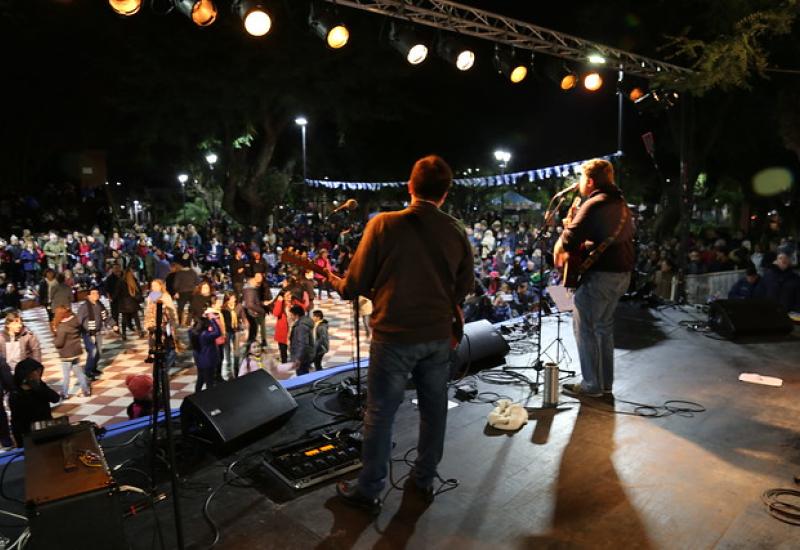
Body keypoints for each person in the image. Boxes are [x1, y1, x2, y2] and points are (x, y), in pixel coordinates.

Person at [326, 155, 474, 511]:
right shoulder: (456, 230)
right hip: (438, 336)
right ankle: (424, 480)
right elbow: (464, 286)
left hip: (393, 336)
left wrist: (335, 281)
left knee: (380, 413)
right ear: (445, 192)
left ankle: (369, 490)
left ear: (410, 186)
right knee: (434, 410)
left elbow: (354, 285)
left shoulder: (383, 225)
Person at [554, 158, 635, 398]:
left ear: (590, 181)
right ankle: (604, 383)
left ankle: (591, 384)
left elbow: (569, 241)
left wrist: (568, 227)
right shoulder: (621, 204)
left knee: (585, 328)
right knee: (603, 327)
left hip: (600, 277)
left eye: (581, 178)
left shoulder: (594, 204)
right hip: (622, 275)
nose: (579, 183)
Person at [9, 358, 60, 447]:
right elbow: (16, 421)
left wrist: (38, 387)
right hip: (29, 434)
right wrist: (20, 442)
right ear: (26, 375)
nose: (38, 374)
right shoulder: (16, 394)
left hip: (46, 428)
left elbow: (55, 398)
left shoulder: (39, 385)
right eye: (35, 372)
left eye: (39, 371)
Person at [77, 286, 117, 380]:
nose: (96, 295)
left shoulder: (100, 305)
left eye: (97, 293)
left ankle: (93, 368)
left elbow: (106, 317)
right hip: (88, 333)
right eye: (93, 293)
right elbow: (79, 321)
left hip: (98, 332)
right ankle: (88, 371)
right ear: (89, 296)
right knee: (93, 351)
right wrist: (77, 334)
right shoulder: (84, 307)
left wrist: (113, 325)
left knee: (98, 351)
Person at [52, 305, 91, 399]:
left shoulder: (62, 327)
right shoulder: (75, 321)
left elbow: (59, 343)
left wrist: (55, 338)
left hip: (66, 355)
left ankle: (64, 393)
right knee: (79, 373)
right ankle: (86, 391)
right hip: (76, 352)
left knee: (66, 375)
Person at [190, 309, 221, 393]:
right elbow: (218, 332)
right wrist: (213, 320)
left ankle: (197, 396)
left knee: (200, 379)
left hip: (199, 360)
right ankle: (210, 398)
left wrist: (201, 320)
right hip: (208, 361)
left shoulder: (193, 333)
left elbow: (193, 327)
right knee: (209, 382)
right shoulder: (205, 335)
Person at [113, 268, 144, 340]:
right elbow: (139, 291)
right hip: (133, 302)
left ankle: (124, 334)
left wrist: (113, 299)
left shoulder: (120, 281)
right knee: (136, 318)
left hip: (123, 303)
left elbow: (117, 293)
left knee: (124, 319)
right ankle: (140, 332)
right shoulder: (134, 281)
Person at [288, 305, 314, 375]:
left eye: (291, 315)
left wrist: (298, 359)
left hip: (302, 359)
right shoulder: (302, 323)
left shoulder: (301, 326)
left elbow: (303, 344)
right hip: (303, 357)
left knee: (302, 376)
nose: (290, 317)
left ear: (296, 315)